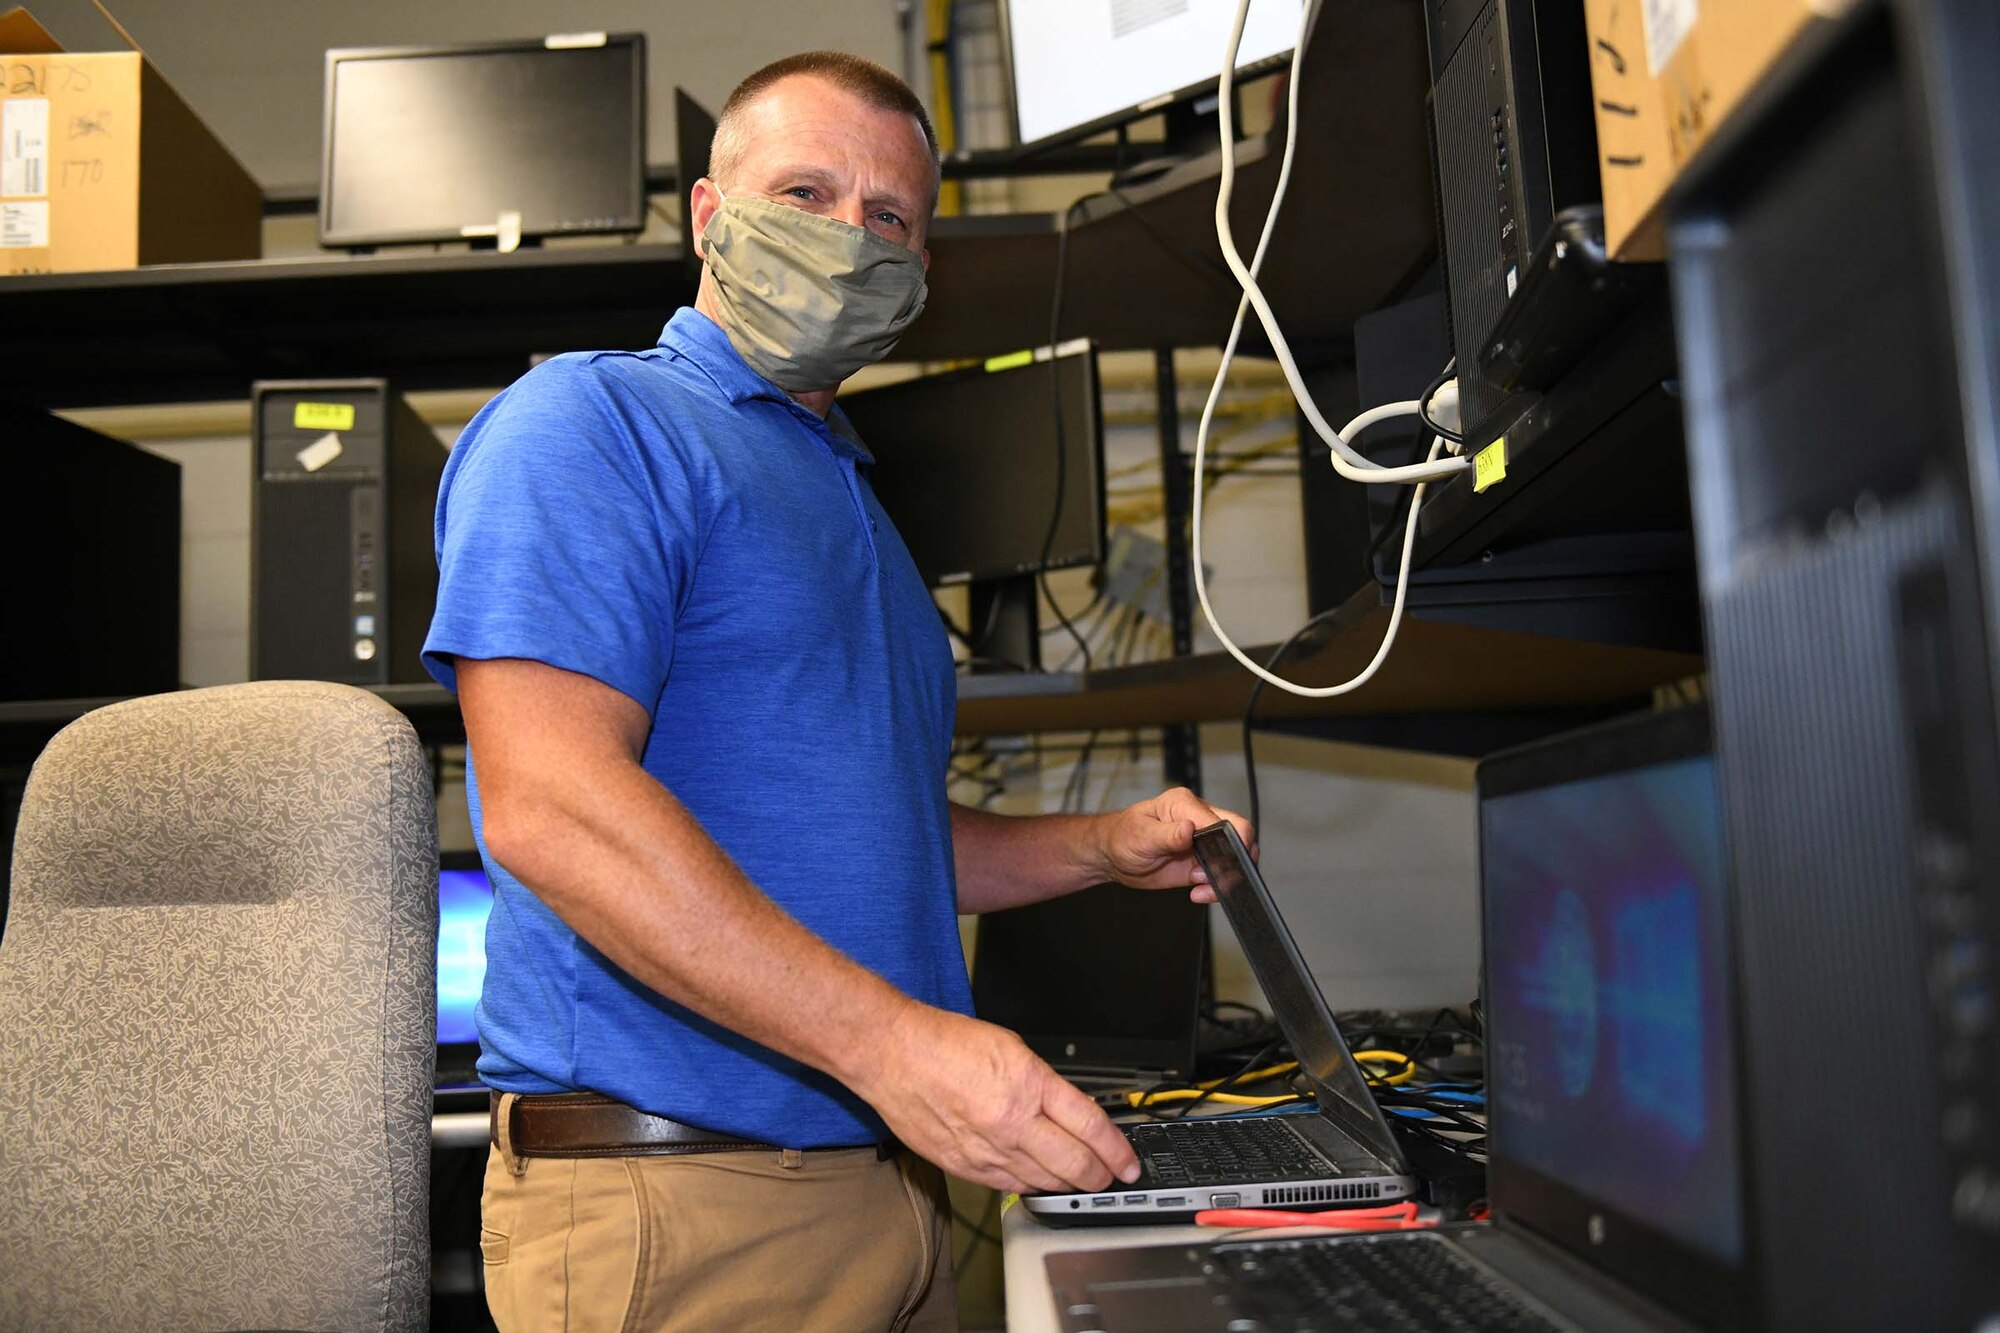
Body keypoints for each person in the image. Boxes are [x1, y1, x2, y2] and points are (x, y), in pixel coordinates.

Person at [423, 50, 1254, 1332]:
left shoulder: (843, 490)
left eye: (888, 218)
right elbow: (548, 806)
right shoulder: (593, 424)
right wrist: (895, 1047)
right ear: (709, 216)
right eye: (804, 193)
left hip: (894, 1184)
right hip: (685, 1203)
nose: (846, 238)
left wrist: (1095, 848)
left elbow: (870, 843)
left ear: (918, 273)